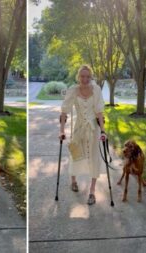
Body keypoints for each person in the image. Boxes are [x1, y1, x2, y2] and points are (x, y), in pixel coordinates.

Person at [59, 64, 106, 205]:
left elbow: (99, 113)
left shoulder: (96, 90)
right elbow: (64, 111)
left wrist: (103, 131)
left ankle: (92, 192)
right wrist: (61, 130)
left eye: (87, 76)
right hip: (78, 127)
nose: (85, 79)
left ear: (90, 77)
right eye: (82, 76)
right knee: (76, 154)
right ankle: (73, 181)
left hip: (92, 129)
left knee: (93, 158)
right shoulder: (73, 90)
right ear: (78, 77)